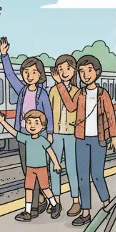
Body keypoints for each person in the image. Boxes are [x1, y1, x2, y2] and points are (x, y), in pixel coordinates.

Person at [55, 55, 116, 227]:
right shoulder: (80, 93)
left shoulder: (102, 94)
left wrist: (114, 137)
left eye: (89, 70)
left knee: (97, 175)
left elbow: (111, 116)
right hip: (81, 139)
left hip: (99, 139)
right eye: (81, 71)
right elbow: (70, 106)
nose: (85, 75)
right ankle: (86, 212)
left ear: (97, 72)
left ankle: (107, 205)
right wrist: (60, 84)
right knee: (82, 176)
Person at [0, 36, 53, 221]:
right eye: (26, 72)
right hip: (23, 135)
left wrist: (50, 132)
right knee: (28, 170)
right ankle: (43, 201)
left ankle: (35, 207)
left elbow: (48, 113)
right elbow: (9, 76)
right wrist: (4, 56)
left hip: (40, 136)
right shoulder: (21, 90)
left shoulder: (42, 93)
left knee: (38, 169)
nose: (29, 75)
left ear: (40, 75)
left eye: (33, 72)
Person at [0, 109, 62, 221]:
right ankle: (27, 212)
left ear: (43, 127)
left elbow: (50, 152)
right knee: (28, 189)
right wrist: (2, 121)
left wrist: (56, 164)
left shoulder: (42, 140)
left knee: (45, 188)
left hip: (41, 168)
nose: (32, 126)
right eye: (29, 122)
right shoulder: (26, 138)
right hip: (30, 169)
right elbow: (13, 132)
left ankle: (55, 204)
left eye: (36, 123)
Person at [48, 55, 82, 217]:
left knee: (72, 168)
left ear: (74, 71)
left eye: (67, 68)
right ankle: (56, 201)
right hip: (55, 134)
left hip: (71, 135)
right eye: (60, 69)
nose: (64, 72)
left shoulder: (77, 92)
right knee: (54, 168)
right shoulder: (53, 90)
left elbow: (71, 108)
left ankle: (76, 201)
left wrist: (60, 84)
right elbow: (49, 112)